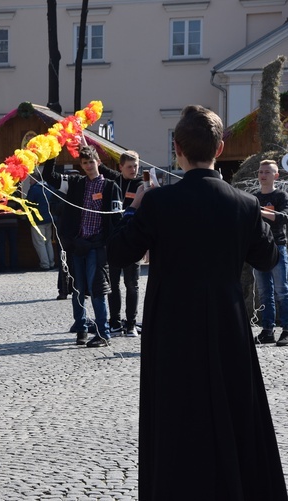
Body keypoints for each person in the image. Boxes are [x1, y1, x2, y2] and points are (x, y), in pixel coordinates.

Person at [107, 105, 287, 499]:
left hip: (173, 328)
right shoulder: (243, 204)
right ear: (220, 149)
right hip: (226, 325)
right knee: (233, 412)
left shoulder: (159, 203)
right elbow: (269, 257)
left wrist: (133, 207)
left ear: (177, 149)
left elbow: (118, 253)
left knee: (176, 418)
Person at [42, 148, 123, 347]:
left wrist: (110, 243)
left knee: (97, 290)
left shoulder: (110, 186)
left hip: (97, 245)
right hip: (77, 244)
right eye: (84, 163)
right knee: (77, 289)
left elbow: (117, 219)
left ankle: (103, 333)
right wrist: (53, 150)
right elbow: (49, 176)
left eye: (91, 162)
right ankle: (81, 329)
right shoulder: (75, 183)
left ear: (97, 161)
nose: (88, 166)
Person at [98, 151, 143, 337]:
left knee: (132, 284)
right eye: (130, 167)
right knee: (113, 284)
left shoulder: (142, 185)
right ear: (121, 167)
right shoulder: (115, 180)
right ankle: (115, 322)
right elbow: (99, 165)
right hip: (115, 240)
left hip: (134, 240)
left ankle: (131, 323)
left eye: (136, 166)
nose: (134, 170)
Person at [253, 159, 288, 346]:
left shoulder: (281, 195)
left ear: (276, 175)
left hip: (278, 247)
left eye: (267, 172)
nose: (262, 175)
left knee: (282, 290)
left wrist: (260, 211)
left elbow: (284, 218)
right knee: (264, 292)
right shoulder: (254, 197)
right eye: (260, 171)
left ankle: (287, 330)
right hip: (260, 249)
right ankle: (267, 330)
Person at [26, 169, 55, 270]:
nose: (29, 181)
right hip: (49, 218)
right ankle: (51, 263)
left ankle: (45, 264)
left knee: (39, 243)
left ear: (35, 179)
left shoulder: (34, 190)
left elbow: (28, 204)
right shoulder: (49, 187)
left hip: (37, 220)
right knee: (48, 242)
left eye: (30, 179)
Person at [0, 199, 20, 273]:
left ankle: (2, 268)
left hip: (0, 223)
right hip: (12, 223)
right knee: (13, 246)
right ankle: (14, 267)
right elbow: (19, 210)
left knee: (1, 246)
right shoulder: (15, 196)